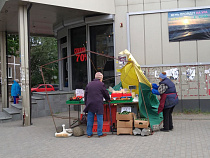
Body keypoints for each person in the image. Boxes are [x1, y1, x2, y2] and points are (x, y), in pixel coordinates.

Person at [84, 72, 110, 138]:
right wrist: (108, 99)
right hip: (98, 103)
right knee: (99, 118)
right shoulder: (101, 84)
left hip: (90, 104)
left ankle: (89, 134)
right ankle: (99, 133)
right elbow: (105, 93)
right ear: (101, 78)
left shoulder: (89, 84)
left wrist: (86, 103)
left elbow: (85, 94)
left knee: (90, 119)